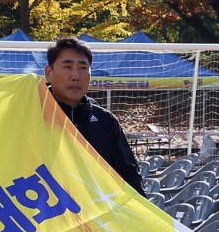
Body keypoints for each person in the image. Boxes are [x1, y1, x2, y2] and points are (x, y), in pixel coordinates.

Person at [43, 38, 145, 195]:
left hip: (95, 214)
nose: (76, 76)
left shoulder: (105, 121)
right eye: (68, 67)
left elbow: (130, 178)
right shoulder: (31, 113)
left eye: (83, 67)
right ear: (49, 73)